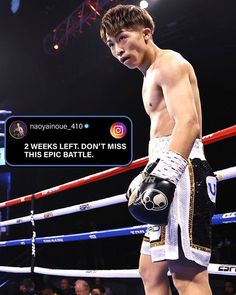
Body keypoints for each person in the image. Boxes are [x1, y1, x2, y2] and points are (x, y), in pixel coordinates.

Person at [100, 4, 216, 295]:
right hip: (166, 168)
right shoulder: (149, 74)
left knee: (187, 275)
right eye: (111, 44)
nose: (118, 49)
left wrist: (163, 173)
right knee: (150, 270)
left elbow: (188, 123)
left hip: (182, 172)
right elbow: (163, 132)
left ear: (146, 33)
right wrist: (147, 173)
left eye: (123, 38)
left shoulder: (169, 64)